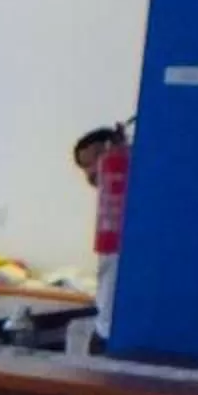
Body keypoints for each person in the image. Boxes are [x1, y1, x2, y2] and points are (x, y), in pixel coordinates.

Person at [73, 122, 131, 344]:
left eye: (95, 160)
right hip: (105, 324)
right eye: (84, 167)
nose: (90, 173)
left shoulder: (137, 188)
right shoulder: (108, 203)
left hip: (122, 328)